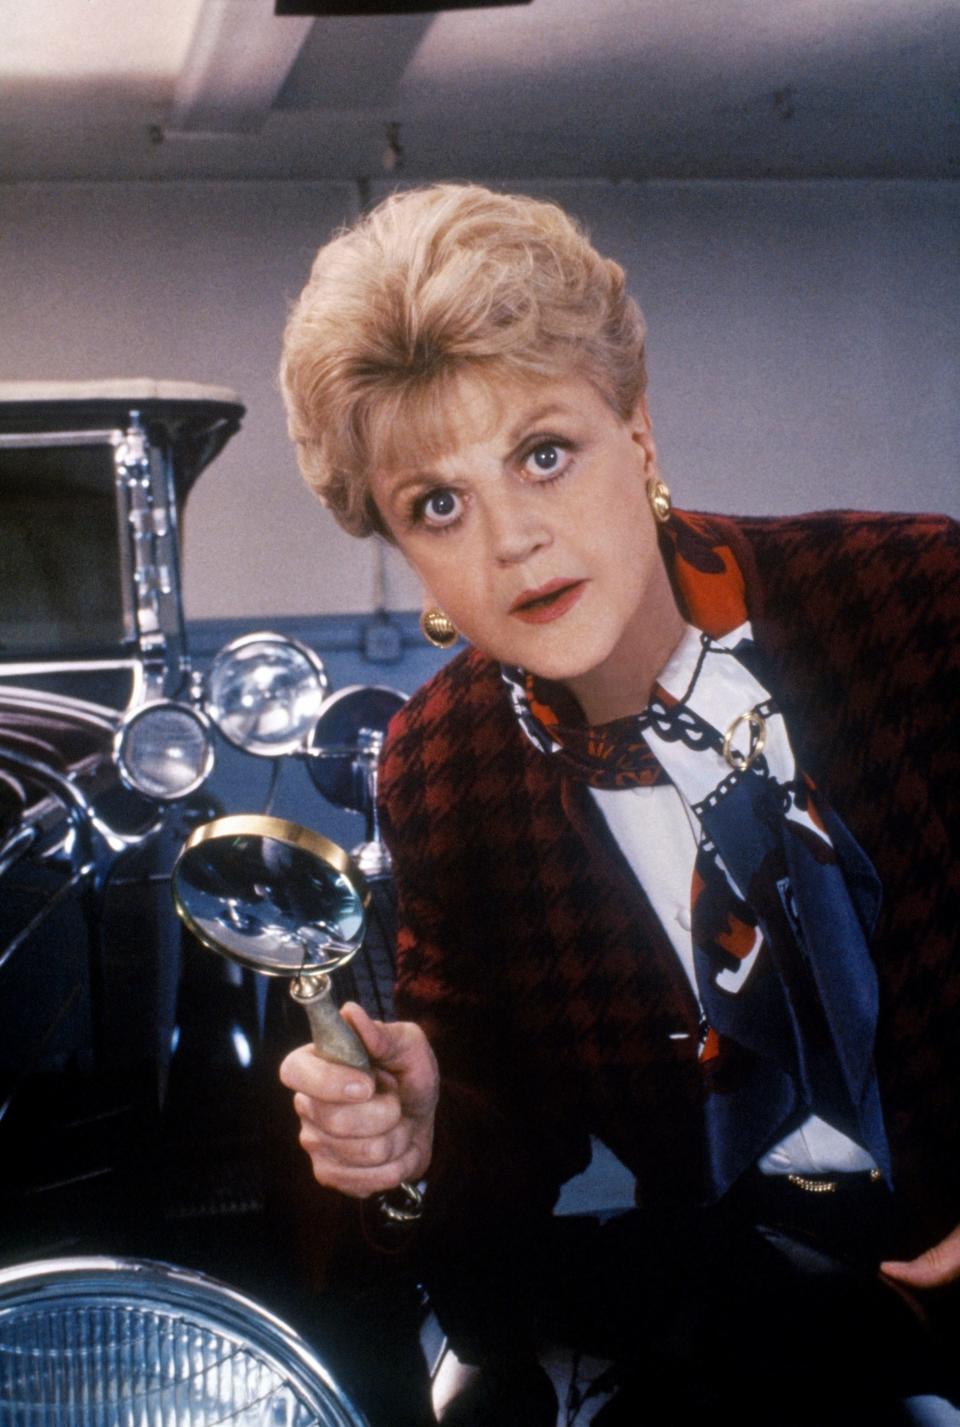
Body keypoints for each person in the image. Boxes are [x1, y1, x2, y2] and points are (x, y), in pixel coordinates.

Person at [278, 184, 959, 1425]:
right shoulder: (444, 764)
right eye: (439, 502)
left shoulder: (921, 600)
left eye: (544, 453)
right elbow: (501, 1152)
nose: (516, 543)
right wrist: (423, 1136)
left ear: (638, 436)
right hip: (774, 1309)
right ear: (402, 550)